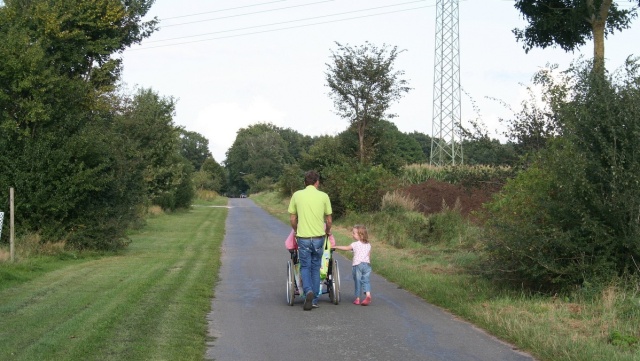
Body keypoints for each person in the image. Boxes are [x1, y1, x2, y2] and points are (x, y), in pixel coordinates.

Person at [288, 170, 332, 311]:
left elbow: (293, 218)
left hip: (303, 237)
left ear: (304, 182)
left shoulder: (297, 195)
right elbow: (329, 220)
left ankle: (308, 291)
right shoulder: (324, 196)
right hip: (319, 237)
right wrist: (326, 231)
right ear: (317, 182)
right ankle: (314, 300)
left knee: (305, 266)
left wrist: (295, 230)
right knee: (315, 267)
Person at [334, 225, 372, 306]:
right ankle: (368, 295)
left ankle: (358, 299)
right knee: (366, 280)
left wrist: (336, 246)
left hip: (358, 265)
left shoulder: (355, 244)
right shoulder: (368, 244)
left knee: (357, 281)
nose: (352, 235)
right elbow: (369, 255)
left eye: (354, 233)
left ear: (360, 235)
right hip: (367, 265)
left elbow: (347, 248)